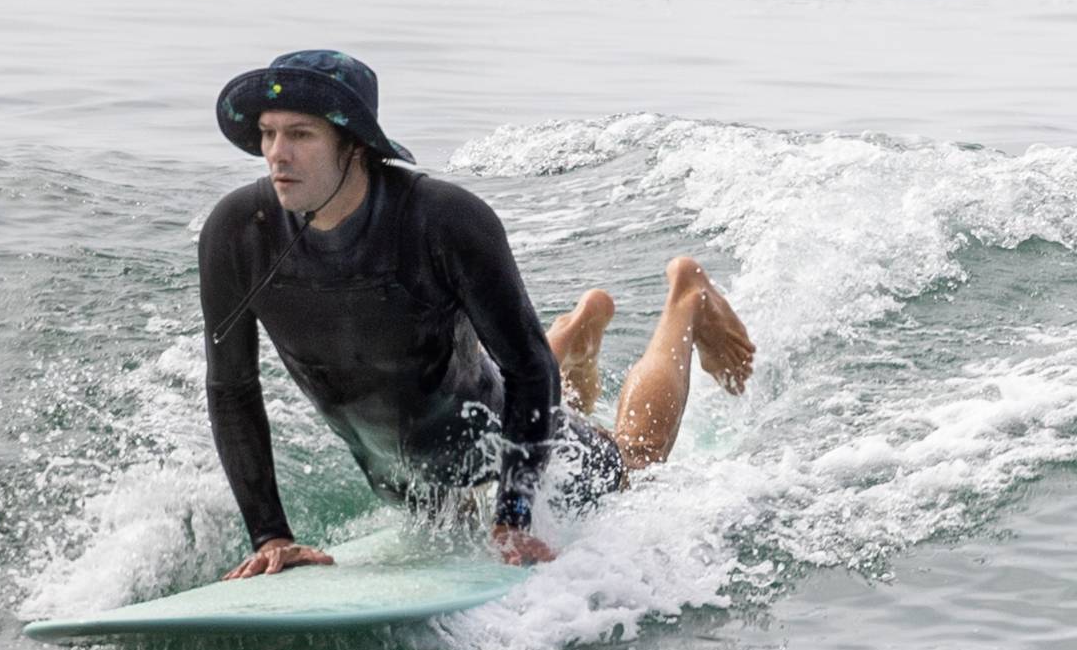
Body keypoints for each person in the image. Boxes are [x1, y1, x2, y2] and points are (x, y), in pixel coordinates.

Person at [199, 49, 754, 579]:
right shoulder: (239, 232)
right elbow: (232, 388)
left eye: (300, 134)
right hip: (409, 475)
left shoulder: (442, 220)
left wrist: (514, 515)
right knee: (466, 467)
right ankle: (574, 336)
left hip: (491, 439)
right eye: (269, 133)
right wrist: (270, 536)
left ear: (355, 146)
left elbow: (528, 369)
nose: (276, 153)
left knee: (636, 462)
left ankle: (686, 300)